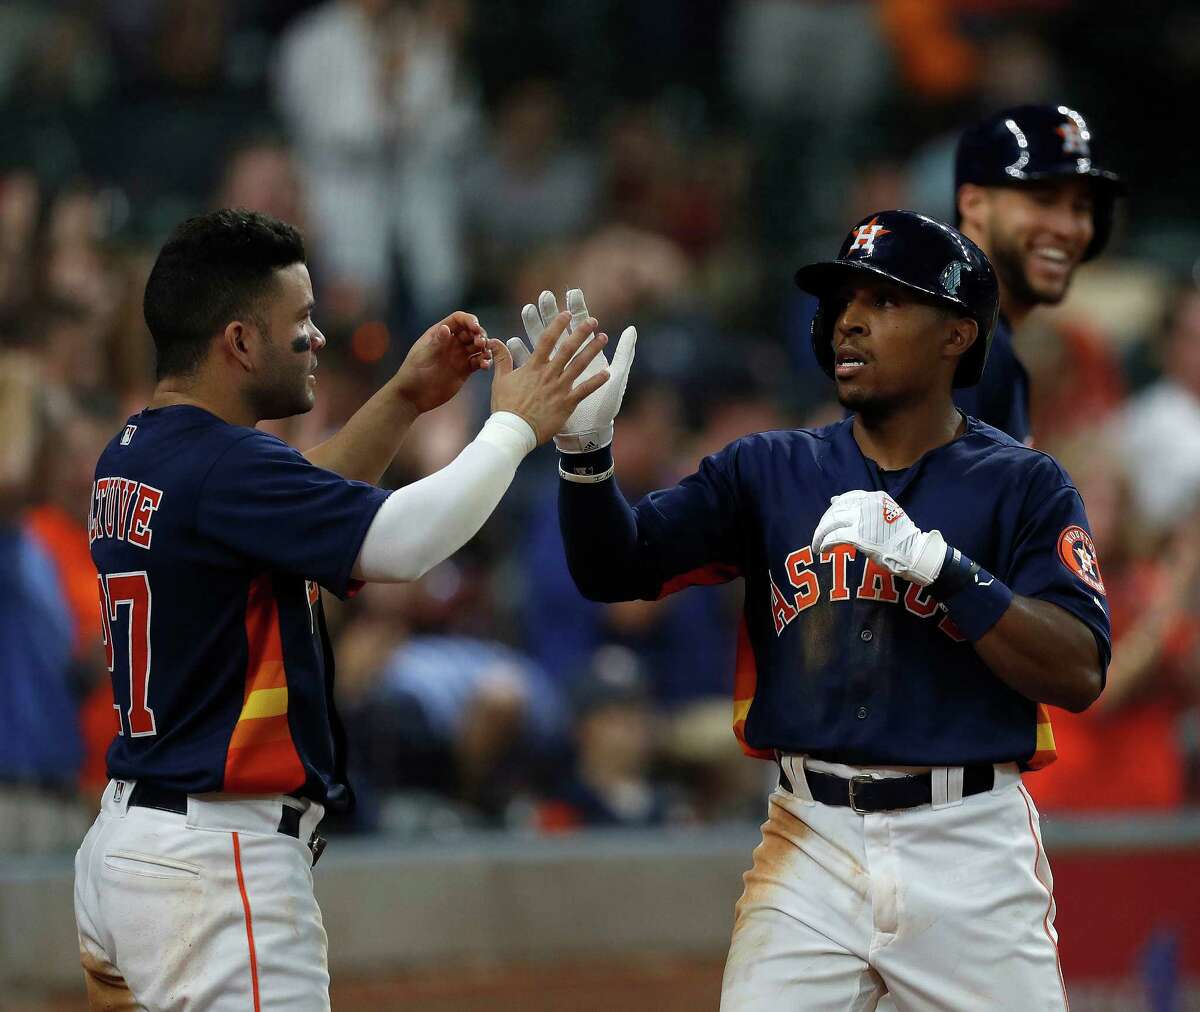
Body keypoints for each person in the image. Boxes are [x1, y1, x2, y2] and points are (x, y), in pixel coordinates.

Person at [536, 214, 1111, 1010]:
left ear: (956, 335)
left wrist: (944, 569)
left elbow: (1080, 669)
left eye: (884, 301)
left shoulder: (1025, 485)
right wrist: (585, 463)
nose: (848, 319)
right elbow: (614, 568)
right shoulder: (768, 470)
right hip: (809, 837)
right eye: (843, 300)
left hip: (970, 843)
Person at [73, 208, 609, 1010]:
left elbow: (295, 498)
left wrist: (401, 399)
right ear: (240, 342)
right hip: (214, 869)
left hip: (129, 850)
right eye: (302, 320)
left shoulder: (138, 448)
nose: (318, 337)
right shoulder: (225, 465)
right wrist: (515, 425)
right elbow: (402, 545)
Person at [953, 103, 1125, 443]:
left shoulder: (984, 340)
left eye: (1081, 207)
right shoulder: (954, 344)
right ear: (974, 204)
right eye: (1042, 200)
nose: (1067, 227)